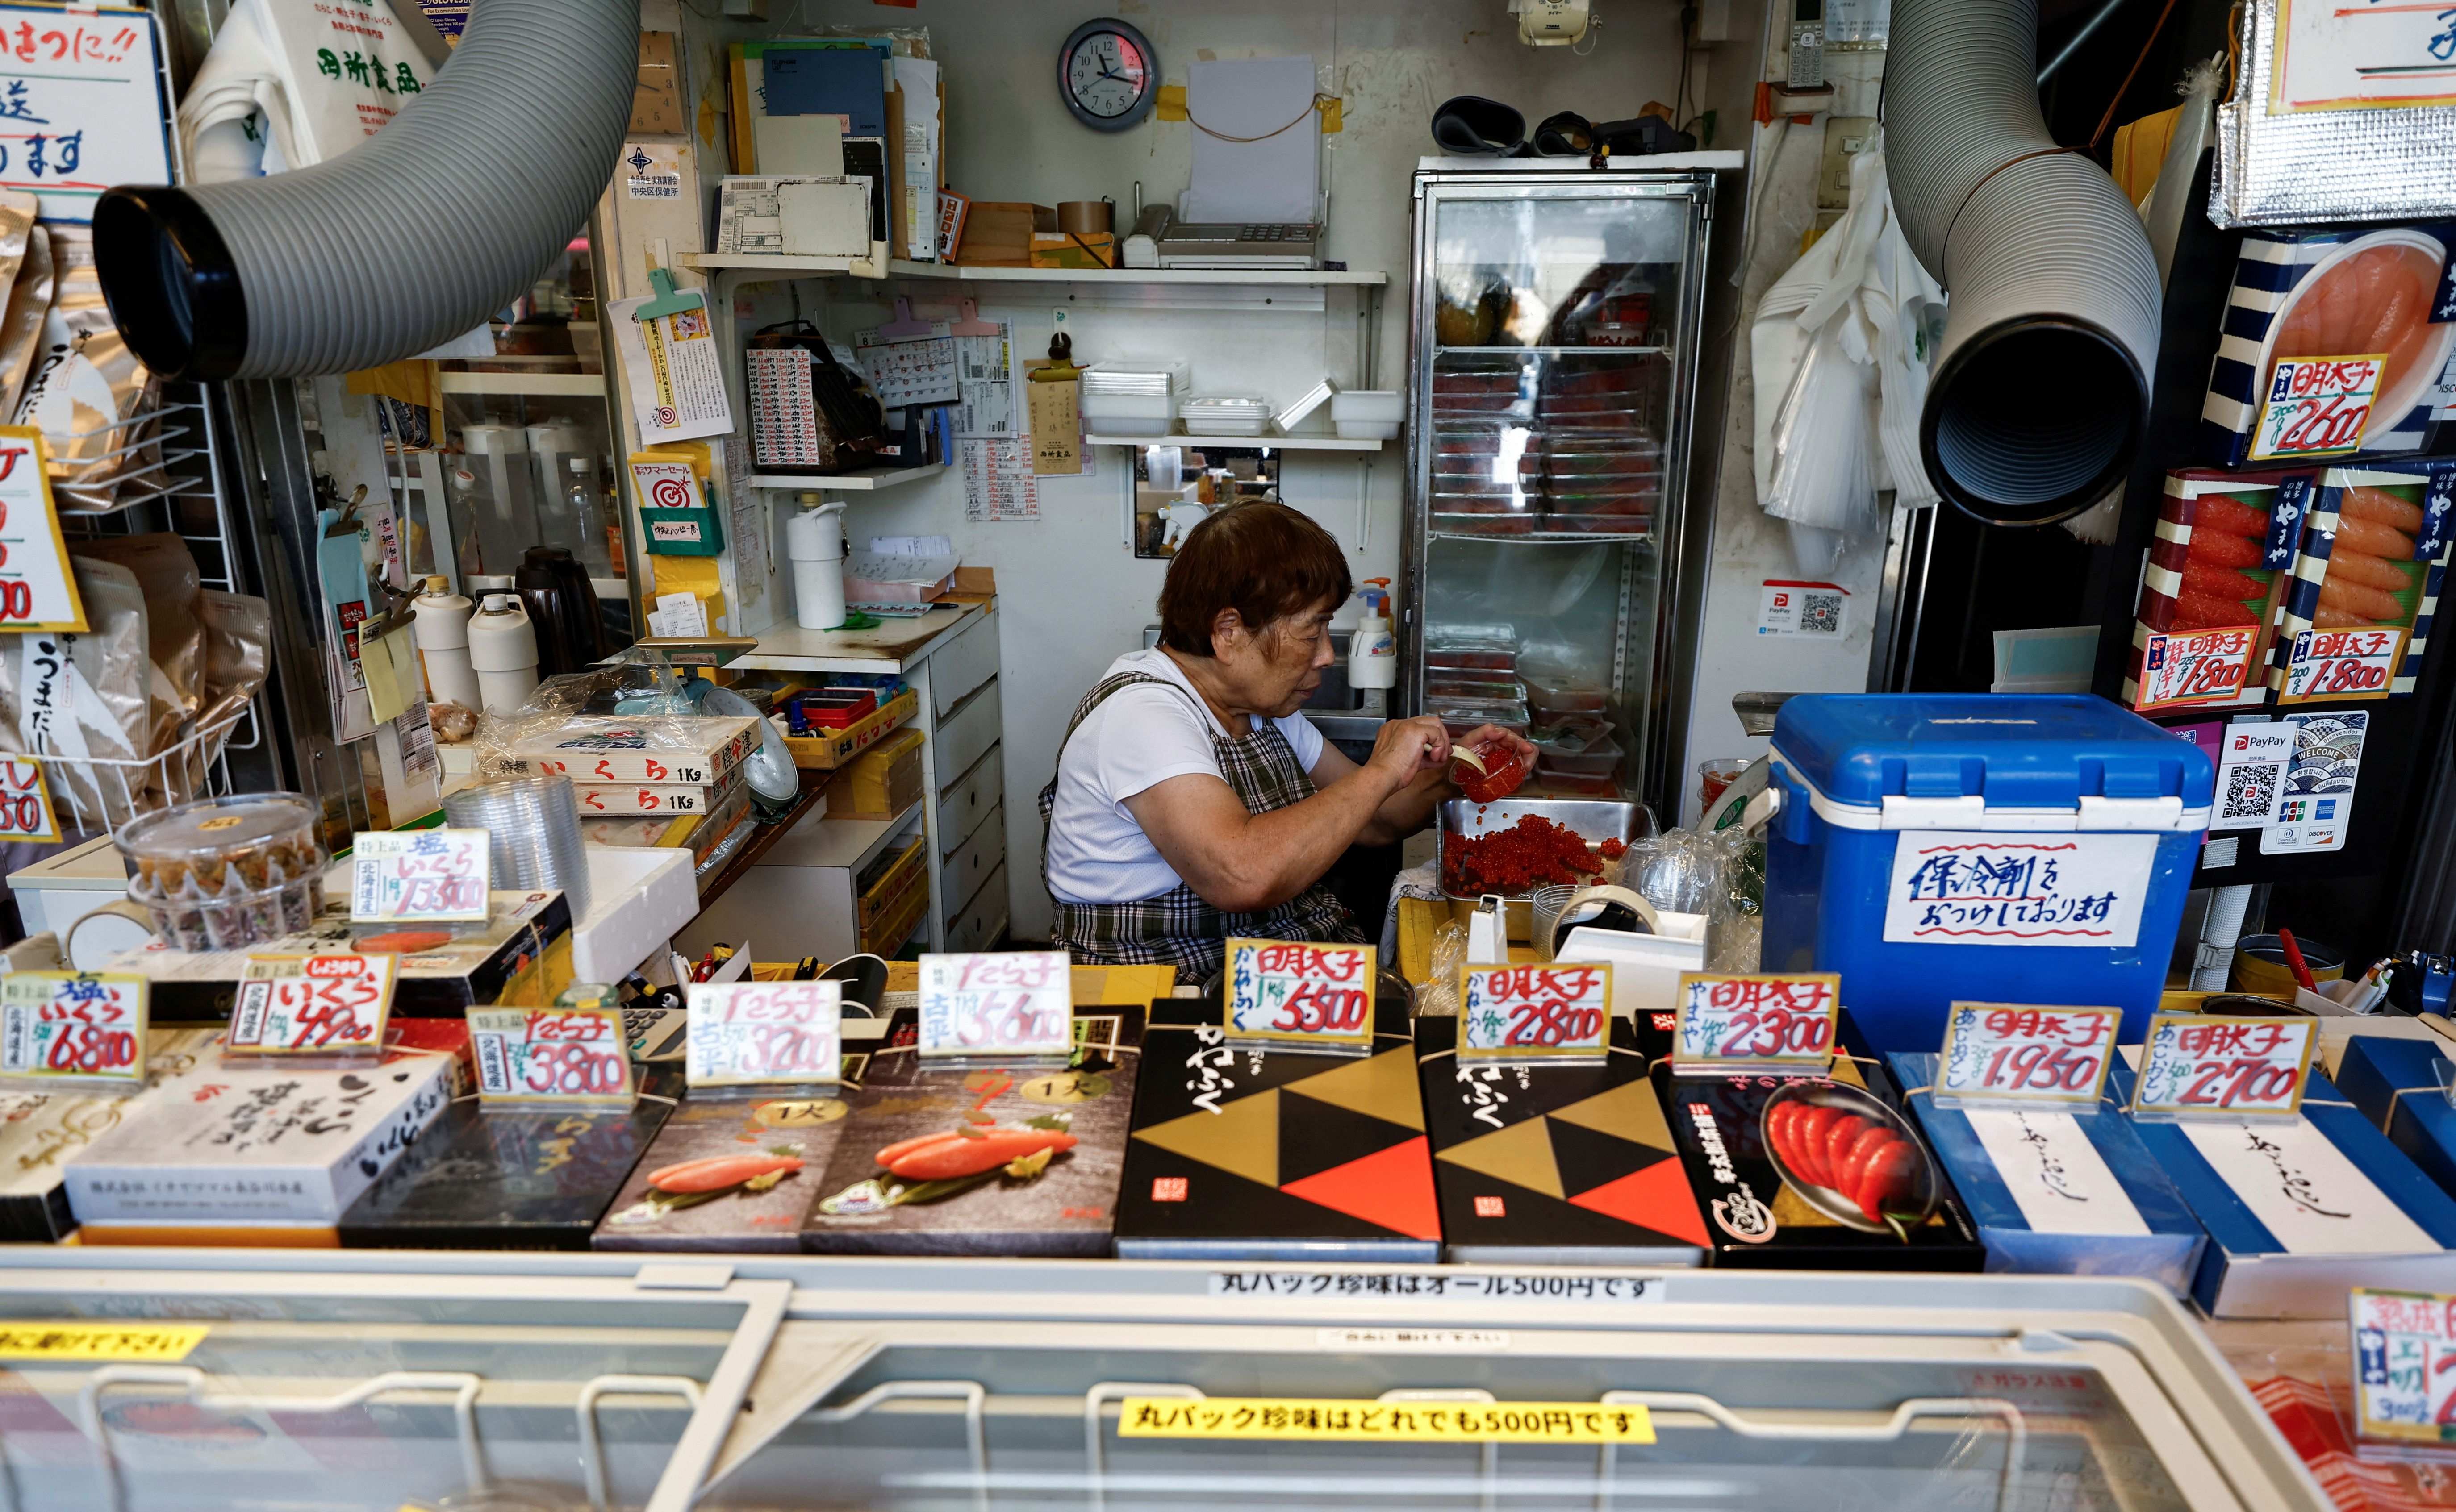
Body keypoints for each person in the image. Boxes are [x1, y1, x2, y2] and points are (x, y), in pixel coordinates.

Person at [1040, 500, 1537, 978]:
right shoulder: (1142, 716)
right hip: (1169, 986)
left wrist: (1460, 772)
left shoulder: (1262, 709)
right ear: (1229, 632)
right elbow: (1242, 876)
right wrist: (1383, 768)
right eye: (1312, 630)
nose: (1326, 655)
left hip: (1273, 967)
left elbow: (1378, 819)